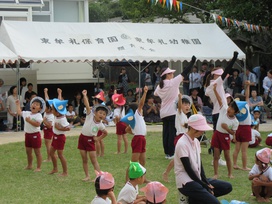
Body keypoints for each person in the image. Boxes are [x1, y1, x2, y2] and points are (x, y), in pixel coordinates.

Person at [174, 114, 232, 204]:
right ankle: (196, 197)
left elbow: (199, 165)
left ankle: (194, 200)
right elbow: (188, 169)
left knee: (227, 187)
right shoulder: (182, 143)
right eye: (201, 130)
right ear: (193, 128)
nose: (202, 132)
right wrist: (204, 185)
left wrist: (205, 182)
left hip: (197, 178)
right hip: (186, 182)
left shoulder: (196, 141)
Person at [154, 55, 196, 159]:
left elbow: (155, 94)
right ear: (167, 75)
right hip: (172, 111)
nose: (173, 74)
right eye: (171, 73)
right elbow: (184, 72)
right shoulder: (172, 82)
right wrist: (192, 62)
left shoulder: (160, 85)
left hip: (164, 111)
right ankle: (171, 153)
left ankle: (167, 153)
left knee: (166, 132)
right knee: (172, 132)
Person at [78, 89, 109, 181]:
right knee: (84, 159)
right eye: (100, 113)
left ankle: (98, 176)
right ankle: (87, 176)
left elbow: (105, 133)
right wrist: (84, 96)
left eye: (104, 114)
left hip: (90, 140)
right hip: (82, 138)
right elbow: (87, 106)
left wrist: (98, 139)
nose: (102, 115)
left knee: (93, 160)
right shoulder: (90, 116)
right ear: (95, 113)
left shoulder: (100, 124)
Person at [211, 83, 239, 179]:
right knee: (216, 155)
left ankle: (230, 173)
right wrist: (215, 90)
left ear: (235, 112)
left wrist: (227, 129)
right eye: (229, 107)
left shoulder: (235, 122)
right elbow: (219, 100)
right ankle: (216, 173)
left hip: (225, 136)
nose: (229, 109)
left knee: (227, 155)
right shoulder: (224, 110)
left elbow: (233, 133)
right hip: (217, 134)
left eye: (231, 109)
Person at [121, 86, 148, 180]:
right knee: (134, 161)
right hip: (139, 139)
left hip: (141, 138)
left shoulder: (137, 119)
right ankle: (127, 179)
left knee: (142, 161)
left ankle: (142, 178)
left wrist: (135, 132)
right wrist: (145, 93)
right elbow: (141, 104)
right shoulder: (137, 114)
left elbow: (127, 130)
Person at [162, 94, 191, 182]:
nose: (187, 106)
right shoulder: (179, 113)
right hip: (180, 138)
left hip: (185, 138)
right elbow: (179, 107)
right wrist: (179, 98)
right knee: (179, 158)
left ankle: (170, 173)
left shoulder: (186, 116)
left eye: (188, 105)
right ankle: (166, 172)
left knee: (182, 158)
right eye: (184, 104)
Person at [15, 96, 45, 172]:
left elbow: (37, 124)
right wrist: (18, 105)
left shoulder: (38, 115)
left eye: (37, 104)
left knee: (37, 152)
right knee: (28, 151)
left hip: (35, 135)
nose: (34, 105)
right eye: (33, 104)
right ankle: (29, 165)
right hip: (27, 135)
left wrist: (29, 121)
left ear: (40, 109)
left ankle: (38, 167)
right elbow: (19, 112)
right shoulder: (26, 113)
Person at [48, 90, 71, 176]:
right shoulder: (56, 115)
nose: (51, 110)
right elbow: (60, 104)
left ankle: (65, 172)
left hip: (60, 137)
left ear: (57, 112)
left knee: (60, 155)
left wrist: (59, 128)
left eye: (52, 109)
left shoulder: (62, 118)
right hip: (55, 137)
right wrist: (59, 94)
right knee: (51, 152)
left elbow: (68, 128)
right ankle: (55, 168)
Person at [233, 80, 252, 171]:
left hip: (238, 128)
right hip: (246, 128)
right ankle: (244, 166)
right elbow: (247, 95)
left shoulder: (235, 108)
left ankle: (235, 164)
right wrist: (247, 86)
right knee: (244, 150)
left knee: (237, 148)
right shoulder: (246, 104)